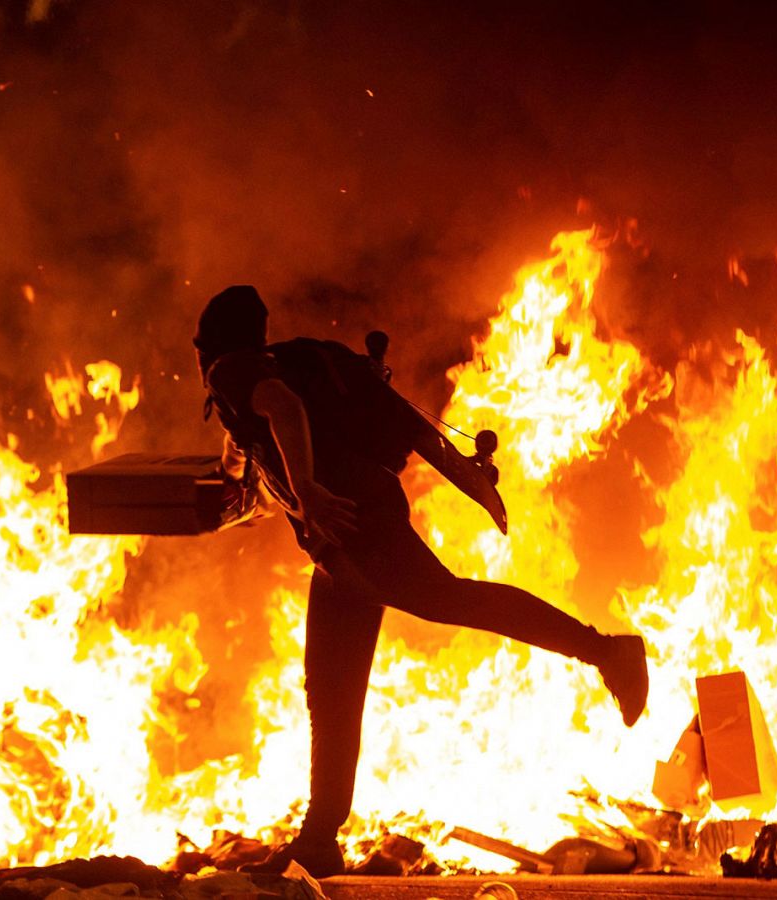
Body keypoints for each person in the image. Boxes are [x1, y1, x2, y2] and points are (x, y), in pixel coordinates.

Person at [193, 285, 649, 878]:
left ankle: (606, 650)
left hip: (357, 527)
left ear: (207, 346)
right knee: (330, 687)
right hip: (341, 547)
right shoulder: (264, 370)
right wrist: (466, 477)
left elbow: (283, 409)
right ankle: (319, 838)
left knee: (445, 599)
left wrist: (304, 488)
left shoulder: (233, 372)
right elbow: (267, 440)